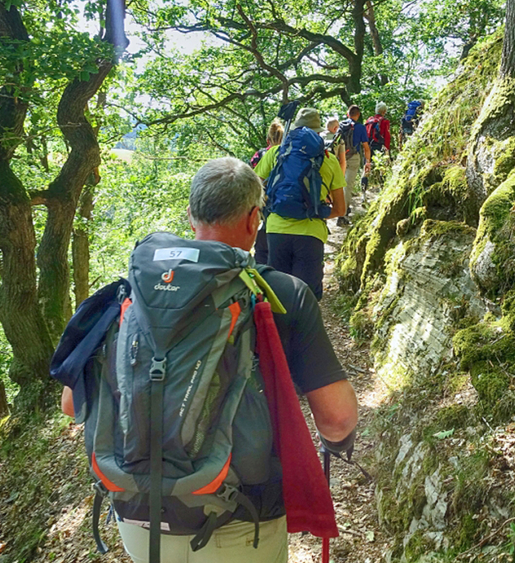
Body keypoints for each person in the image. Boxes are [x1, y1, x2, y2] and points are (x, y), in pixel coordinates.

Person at [61, 157, 358, 563]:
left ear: (190, 216)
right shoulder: (283, 294)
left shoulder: (130, 293)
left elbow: (71, 404)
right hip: (241, 523)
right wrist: (337, 443)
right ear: (255, 219)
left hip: (139, 519)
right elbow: (337, 417)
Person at [254, 108, 347, 300]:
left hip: (276, 230)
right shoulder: (329, 160)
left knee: (277, 294)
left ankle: (278, 329)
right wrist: (315, 211)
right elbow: (340, 209)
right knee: (306, 298)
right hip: (310, 235)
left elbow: (251, 187)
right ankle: (303, 329)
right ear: (319, 132)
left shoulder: (276, 153)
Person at [251, 120, 284, 265]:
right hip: (283, 207)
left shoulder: (259, 156)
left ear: (267, 139)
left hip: (263, 207)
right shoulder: (288, 155)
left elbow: (251, 179)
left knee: (262, 250)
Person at [339, 105, 371, 225]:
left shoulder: (341, 126)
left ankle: (337, 209)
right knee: (347, 185)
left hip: (339, 157)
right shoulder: (360, 127)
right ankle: (342, 215)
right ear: (358, 115)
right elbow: (366, 147)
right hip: (352, 158)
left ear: (348, 114)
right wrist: (367, 162)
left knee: (338, 184)